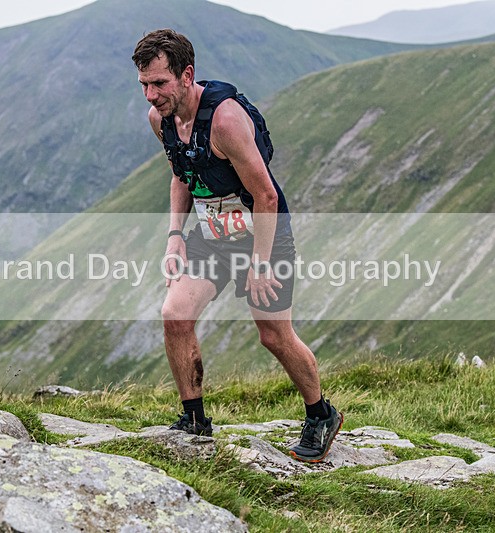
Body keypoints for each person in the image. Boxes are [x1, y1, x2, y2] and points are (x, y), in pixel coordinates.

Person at [132, 29, 342, 462]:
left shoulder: (225, 121)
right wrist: (175, 236)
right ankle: (194, 420)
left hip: (263, 232)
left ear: (186, 75)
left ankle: (321, 414)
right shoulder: (160, 120)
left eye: (160, 83)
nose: (151, 95)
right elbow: (181, 175)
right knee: (175, 315)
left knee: (274, 334)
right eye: (144, 85)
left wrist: (260, 264)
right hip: (213, 235)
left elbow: (266, 196)